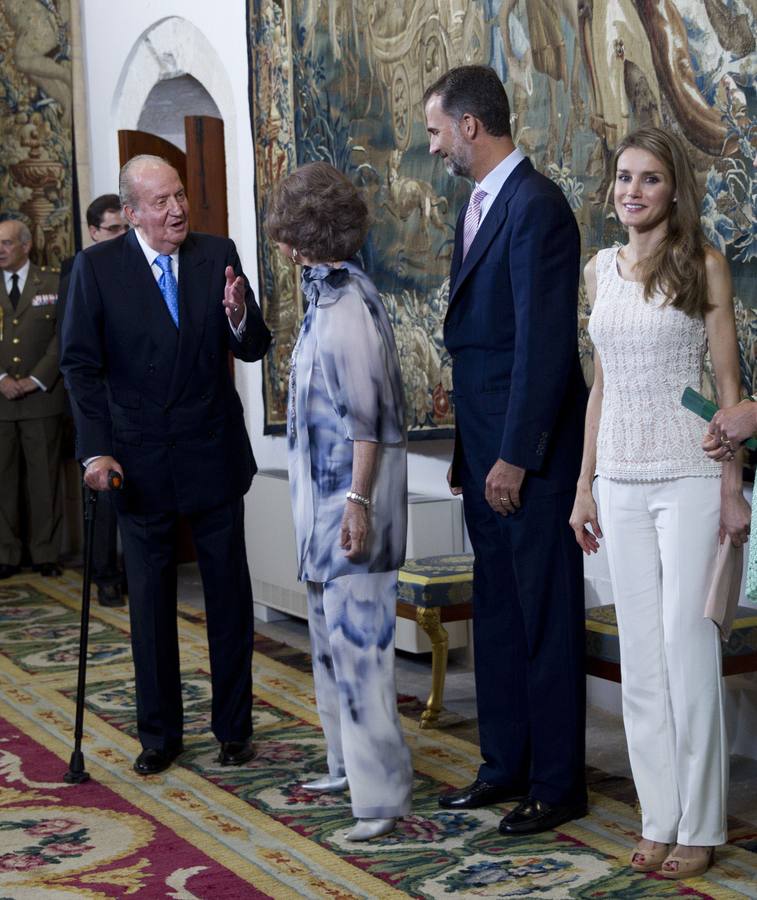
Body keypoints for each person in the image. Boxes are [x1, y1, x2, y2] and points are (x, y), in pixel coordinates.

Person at [569, 126, 748, 878]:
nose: (632, 191)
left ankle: (700, 824)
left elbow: (727, 388)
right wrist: (584, 485)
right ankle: (658, 816)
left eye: (649, 178)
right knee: (640, 658)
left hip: (688, 475)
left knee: (686, 649)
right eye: (624, 177)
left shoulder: (702, 265)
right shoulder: (598, 270)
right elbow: (601, 386)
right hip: (618, 478)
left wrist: (733, 488)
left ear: (673, 189)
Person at [60, 155, 272, 776]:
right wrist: (95, 450)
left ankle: (234, 728)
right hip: (139, 460)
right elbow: (80, 367)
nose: (177, 209)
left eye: (179, 194)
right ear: (130, 213)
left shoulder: (217, 253)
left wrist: (239, 315)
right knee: (150, 606)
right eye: (161, 202)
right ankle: (160, 735)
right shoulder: (97, 269)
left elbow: (253, 346)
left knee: (229, 599)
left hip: (211, 452)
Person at [423, 66, 588, 835]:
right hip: (485, 454)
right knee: (495, 614)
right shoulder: (480, 204)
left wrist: (516, 455)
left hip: (530, 462)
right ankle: (504, 766)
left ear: (469, 125)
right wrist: (475, 456)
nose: (433, 147)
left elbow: (542, 346)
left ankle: (556, 785)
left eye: (435, 131)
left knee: (543, 619)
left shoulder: (535, 205)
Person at [266, 161, 413, 842]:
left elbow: (368, 421)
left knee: (361, 652)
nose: (280, 242)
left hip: (351, 509)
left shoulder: (349, 304)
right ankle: (345, 766)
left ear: (307, 232)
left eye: (286, 229)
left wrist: (356, 502)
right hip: (322, 509)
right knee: (329, 648)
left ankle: (380, 800)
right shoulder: (324, 297)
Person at [59, 194, 130, 607]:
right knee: (103, 495)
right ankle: (105, 576)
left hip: (132, 402)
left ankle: (134, 572)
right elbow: (73, 348)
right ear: (93, 232)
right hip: (97, 401)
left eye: (125, 227)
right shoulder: (79, 270)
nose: (122, 235)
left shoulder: (137, 264)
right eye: (113, 228)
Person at [0, 218, 66, 579]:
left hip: (42, 397)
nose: (0, 250)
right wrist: (2, 379)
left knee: (44, 480)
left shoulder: (52, 283)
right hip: (1, 399)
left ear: (26, 245)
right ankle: (6, 554)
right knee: (3, 480)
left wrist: (36, 379)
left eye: (7, 243)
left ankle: (45, 553)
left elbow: (61, 336)